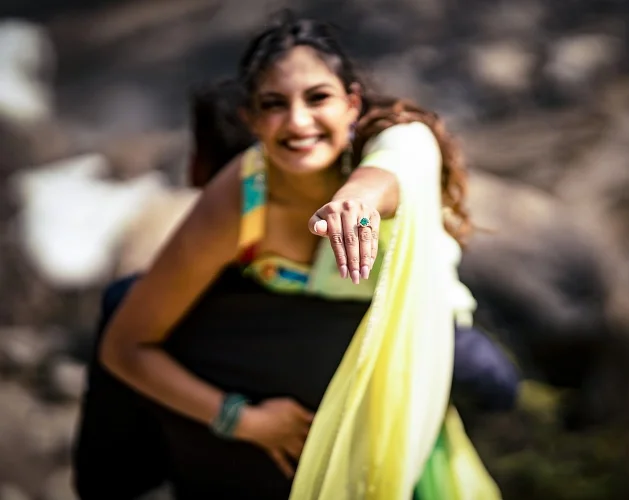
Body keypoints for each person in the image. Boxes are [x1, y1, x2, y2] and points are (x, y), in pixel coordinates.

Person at [83, 12, 508, 499]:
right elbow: (126, 345)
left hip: (421, 329)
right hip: (314, 340)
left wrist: (358, 202)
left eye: (318, 97)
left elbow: (392, 171)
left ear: (351, 103)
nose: (298, 121)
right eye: (274, 104)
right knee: (125, 299)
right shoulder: (241, 198)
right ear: (251, 118)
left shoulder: (398, 142)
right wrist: (242, 420)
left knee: (498, 385)